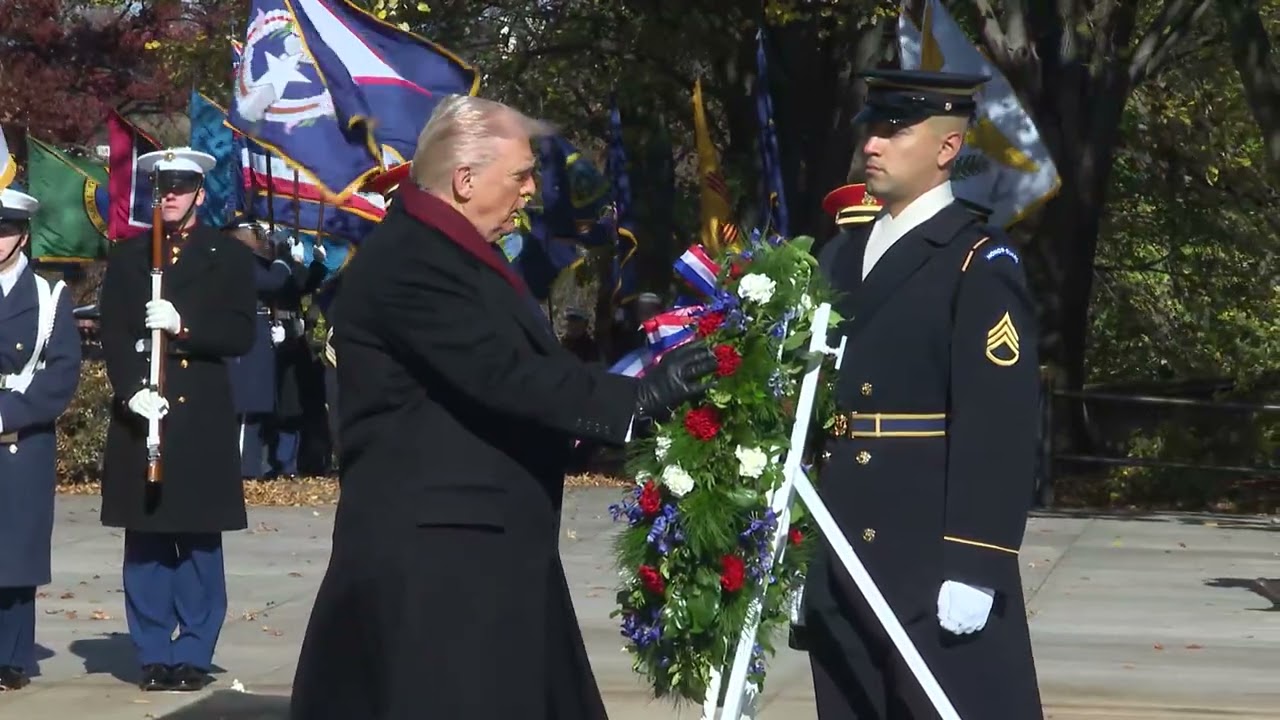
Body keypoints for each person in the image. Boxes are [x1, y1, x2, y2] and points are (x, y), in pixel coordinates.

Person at [290, 95, 717, 720]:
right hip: (439, 567)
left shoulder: (453, 253)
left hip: (482, 555)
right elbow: (506, 375)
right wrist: (639, 397)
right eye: (519, 175)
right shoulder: (411, 262)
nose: (530, 191)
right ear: (465, 180)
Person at [801, 69, 1043, 719]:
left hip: (926, 551)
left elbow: (1001, 423)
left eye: (892, 131)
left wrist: (978, 561)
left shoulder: (976, 260)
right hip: (841, 541)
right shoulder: (839, 257)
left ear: (945, 149)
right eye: (869, 130)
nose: (871, 145)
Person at [97, 147, 256, 692]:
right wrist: (128, 392)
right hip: (144, 411)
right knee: (144, 540)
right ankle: (151, 652)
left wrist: (185, 325)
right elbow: (114, 333)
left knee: (197, 542)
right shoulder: (128, 257)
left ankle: (192, 651)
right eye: (161, 186)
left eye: (180, 186)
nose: (169, 195)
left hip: (198, 416)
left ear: (200, 193)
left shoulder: (227, 257)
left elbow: (241, 334)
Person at [0, 183, 81, 691]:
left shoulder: (49, 295)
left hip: (20, 438)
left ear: (22, 236)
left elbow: (62, 371)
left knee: (14, 553)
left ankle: (10, 655)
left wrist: (9, 413)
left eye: (5, 230)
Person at [224, 220, 290, 479]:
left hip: (255, 338)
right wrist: (282, 259)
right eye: (257, 232)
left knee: (252, 413)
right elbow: (272, 282)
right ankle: (242, 469)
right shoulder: (238, 260)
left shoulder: (243, 258)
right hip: (246, 343)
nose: (261, 237)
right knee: (245, 410)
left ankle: (248, 467)